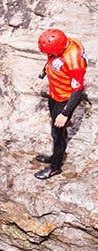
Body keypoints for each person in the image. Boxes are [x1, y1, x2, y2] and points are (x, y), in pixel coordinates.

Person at [34, 28, 87, 180]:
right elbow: (50, 60)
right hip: (54, 92)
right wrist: (41, 76)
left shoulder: (74, 61)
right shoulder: (61, 43)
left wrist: (65, 113)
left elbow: (77, 90)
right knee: (56, 126)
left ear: (59, 48)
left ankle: (55, 167)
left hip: (65, 98)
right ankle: (55, 155)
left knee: (57, 134)